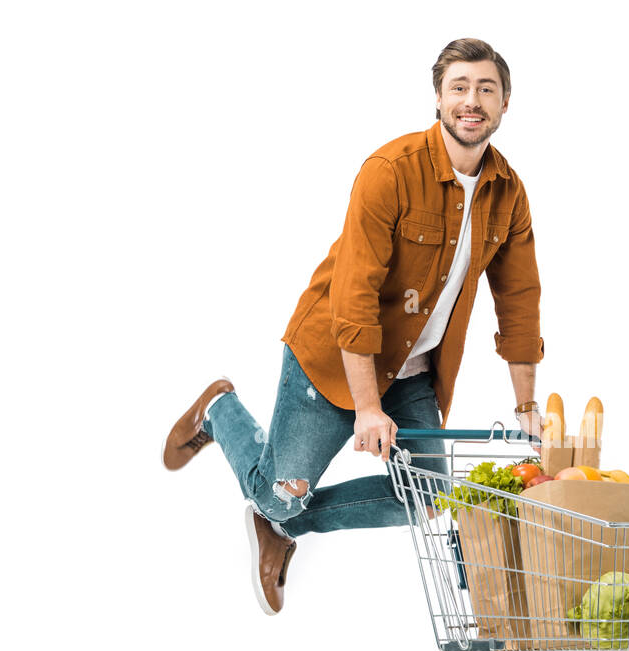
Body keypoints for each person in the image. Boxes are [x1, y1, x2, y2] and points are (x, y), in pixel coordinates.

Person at [161, 38, 544, 615]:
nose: (472, 101)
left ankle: (280, 525)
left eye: (486, 89)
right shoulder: (389, 171)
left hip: (416, 370)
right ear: (438, 98)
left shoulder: (508, 194)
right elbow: (354, 296)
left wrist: (526, 409)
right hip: (334, 360)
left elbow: (518, 300)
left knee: (423, 497)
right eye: (459, 88)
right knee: (276, 492)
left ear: (506, 102)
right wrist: (368, 407)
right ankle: (222, 411)